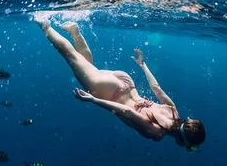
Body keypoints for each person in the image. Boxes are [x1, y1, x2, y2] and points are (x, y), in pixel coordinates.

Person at [34, 14, 206, 151]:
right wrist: (94, 100)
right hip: (111, 93)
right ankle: (45, 25)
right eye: (189, 147)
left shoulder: (173, 110)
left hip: (127, 82)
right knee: (70, 56)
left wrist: (144, 66)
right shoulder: (157, 133)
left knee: (87, 64)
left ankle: (74, 31)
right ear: (184, 141)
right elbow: (126, 112)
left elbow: (156, 88)